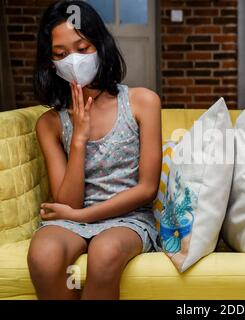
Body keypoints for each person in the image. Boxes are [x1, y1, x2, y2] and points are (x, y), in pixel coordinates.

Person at [28, 0, 162, 300]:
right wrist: (79, 138)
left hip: (127, 218)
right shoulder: (49, 123)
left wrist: (81, 216)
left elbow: (147, 189)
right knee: (43, 254)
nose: (73, 61)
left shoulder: (143, 102)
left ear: (100, 46)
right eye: (61, 54)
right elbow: (67, 200)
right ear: (51, 62)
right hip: (70, 214)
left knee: (106, 251)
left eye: (82, 48)